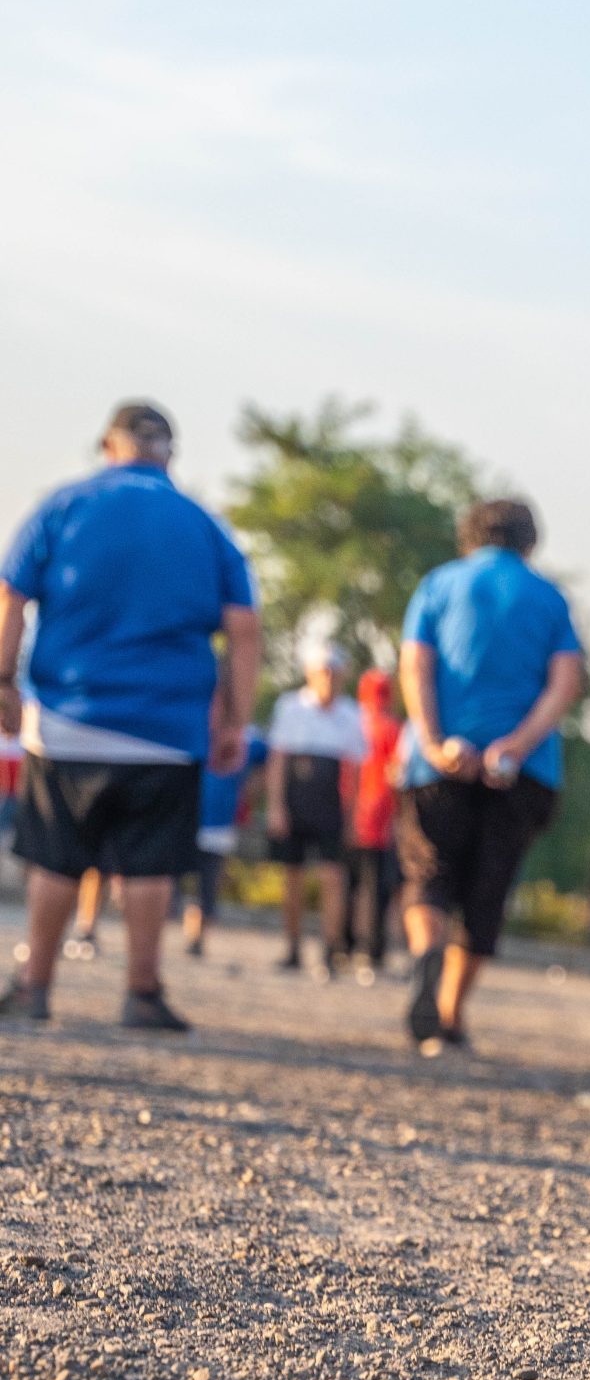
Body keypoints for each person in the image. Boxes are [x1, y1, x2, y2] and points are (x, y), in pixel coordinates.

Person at [0, 400, 258, 1029]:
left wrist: (3, 680)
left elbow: (11, 596)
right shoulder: (205, 524)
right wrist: (235, 721)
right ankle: (142, 993)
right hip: (168, 728)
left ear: (108, 445)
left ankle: (35, 987)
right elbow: (244, 629)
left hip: (68, 717)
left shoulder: (62, 507)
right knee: (151, 862)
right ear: (168, 453)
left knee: (56, 856)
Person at [396, 497, 584, 1054]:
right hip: (520, 771)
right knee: (487, 891)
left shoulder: (438, 584)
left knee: (428, 877)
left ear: (469, 536)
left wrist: (432, 741)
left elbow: (416, 665)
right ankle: (450, 1014)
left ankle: (426, 953)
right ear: (530, 541)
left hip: (438, 764)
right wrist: (516, 746)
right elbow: (564, 682)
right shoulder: (549, 598)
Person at [266, 646, 365, 977]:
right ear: (310, 673)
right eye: (324, 672)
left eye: (335, 674)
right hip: (296, 800)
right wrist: (277, 807)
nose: (330, 680)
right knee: (292, 877)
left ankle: (329, 948)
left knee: (332, 877)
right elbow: (278, 761)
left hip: (331, 805)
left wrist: (352, 818)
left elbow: (357, 772)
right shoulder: (290, 707)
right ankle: (292, 946)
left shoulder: (351, 714)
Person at [185, 725, 266, 956]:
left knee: (207, 883)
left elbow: (272, 758)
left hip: (220, 819)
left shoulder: (249, 739)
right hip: (187, 816)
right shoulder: (197, 724)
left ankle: (197, 938)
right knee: (175, 880)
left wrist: (249, 794)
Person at [345, 667, 403, 983]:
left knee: (352, 884)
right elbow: (398, 775)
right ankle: (373, 950)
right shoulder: (392, 728)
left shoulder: (353, 724)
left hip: (355, 816)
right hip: (378, 819)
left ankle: (346, 944)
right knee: (376, 888)